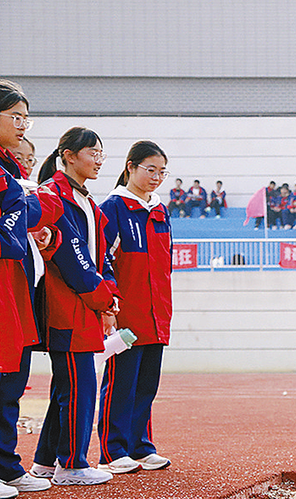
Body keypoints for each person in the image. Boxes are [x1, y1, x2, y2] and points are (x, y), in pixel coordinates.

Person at [0, 80, 63, 499]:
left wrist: (33, 218)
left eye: (25, 118)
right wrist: (22, 213)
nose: (22, 126)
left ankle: (1, 465)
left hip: (11, 292)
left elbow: (36, 209)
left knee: (5, 386)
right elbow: (7, 217)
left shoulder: (3, 166)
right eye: (15, 117)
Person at [31, 127, 118, 486]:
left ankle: (45, 462)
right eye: (92, 152)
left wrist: (108, 291)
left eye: (101, 153)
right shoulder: (54, 194)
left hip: (86, 304)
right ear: (67, 155)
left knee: (68, 387)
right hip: (66, 305)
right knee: (79, 385)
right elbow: (72, 259)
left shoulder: (87, 202)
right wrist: (103, 297)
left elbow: (101, 256)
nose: (98, 160)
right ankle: (72, 462)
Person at [97, 140, 173, 474]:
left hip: (156, 314)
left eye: (162, 172)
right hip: (126, 313)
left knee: (146, 384)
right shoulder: (113, 208)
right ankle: (113, 450)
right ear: (130, 167)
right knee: (120, 383)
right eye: (150, 170)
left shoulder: (160, 210)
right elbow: (103, 260)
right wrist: (109, 306)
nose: (156, 178)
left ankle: (141, 445)